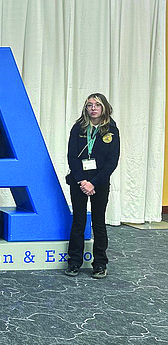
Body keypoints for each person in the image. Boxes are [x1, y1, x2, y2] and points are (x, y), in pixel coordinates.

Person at [64, 93, 120, 279]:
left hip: (100, 182)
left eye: (97, 105)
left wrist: (93, 182)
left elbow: (112, 162)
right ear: (85, 108)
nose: (93, 108)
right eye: (89, 105)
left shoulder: (111, 130)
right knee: (78, 221)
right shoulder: (78, 128)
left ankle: (100, 264)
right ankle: (74, 263)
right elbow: (72, 157)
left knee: (98, 222)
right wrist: (82, 181)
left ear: (104, 107)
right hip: (79, 181)